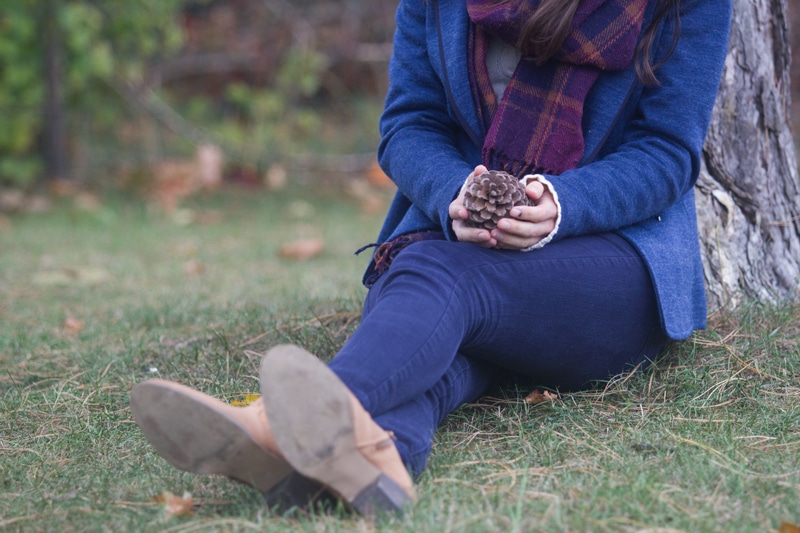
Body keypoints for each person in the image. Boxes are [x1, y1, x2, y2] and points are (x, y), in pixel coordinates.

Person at [130, 0, 732, 516]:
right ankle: (373, 459)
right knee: (439, 341)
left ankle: (274, 427)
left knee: (431, 273)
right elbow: (407, 124)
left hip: (605, 272)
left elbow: (668, 152)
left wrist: (563, 204)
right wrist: (455, 194)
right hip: (463, 245)